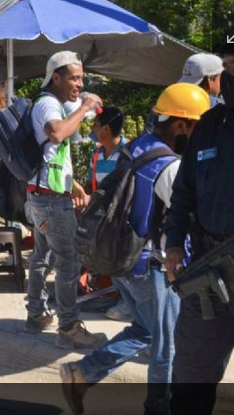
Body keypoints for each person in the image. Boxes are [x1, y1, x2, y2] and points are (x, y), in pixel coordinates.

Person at [61, 84, 210, 415]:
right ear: (182, 125)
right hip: (151, 265)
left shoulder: (140, 147)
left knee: (145, 329)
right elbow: (189, 218)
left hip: (122, 261)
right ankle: (159, 407)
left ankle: (83, 373)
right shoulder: (168, 167)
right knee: (166, 344)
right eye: (197, 126)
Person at [165, 29, 234, 415]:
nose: (228, 76)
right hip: (207, 275)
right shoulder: (210, 124)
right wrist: (174, 244)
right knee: (189, 385)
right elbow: (184, 192)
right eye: (224, 67)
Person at [24, 51, 107, 349]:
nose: (79, 83)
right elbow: (57, 135)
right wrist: (84, 105)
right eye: (74, 78)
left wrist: (72, 185)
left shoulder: (56, 104)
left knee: (41, 257)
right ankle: (69, 328)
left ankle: (35, 315)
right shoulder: (47, 104)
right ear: (55, 78)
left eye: (81, 78)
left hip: (43, 197)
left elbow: (51, 155)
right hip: (50, 204)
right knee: (68, 263)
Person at [83, 107, 133, 321]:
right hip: (103, 217)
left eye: (95, 125)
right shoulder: (96, 153)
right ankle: (117, 295)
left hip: (124, 216)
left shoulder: (129, 151)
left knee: (124, 258)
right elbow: (89, 184)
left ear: (106, 129)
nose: (92, 128)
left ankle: (128, 303)